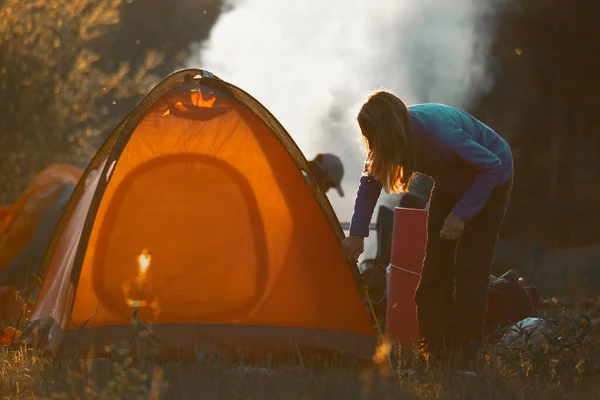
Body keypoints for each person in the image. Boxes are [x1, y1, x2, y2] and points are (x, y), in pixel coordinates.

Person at [341, 91, 513, 364]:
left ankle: (467, 355)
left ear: (389, 131)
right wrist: (357, 234)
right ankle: (435, 350)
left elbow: (491, 166)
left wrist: (461, 214)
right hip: (449, 182)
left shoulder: (440, 134)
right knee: (434, 267)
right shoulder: (387, 137)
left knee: (470, 271)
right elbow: (370, 181)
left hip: (490, 180)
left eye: (374, 139)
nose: (372, 146)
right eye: (368, 139)